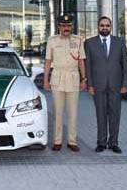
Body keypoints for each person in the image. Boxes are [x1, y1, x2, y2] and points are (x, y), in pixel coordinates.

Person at [85, 16, 127, 154]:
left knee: (115, 115)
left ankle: (114, 143)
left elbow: (125, 65)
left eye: (107, 25)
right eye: (102, 25)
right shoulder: (90, 43)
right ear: (98, 27)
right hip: (98, 86)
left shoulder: (119, 42)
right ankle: (101, 143)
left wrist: (125, 84)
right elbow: (88, 66)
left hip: (116, 86)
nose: (105, 28)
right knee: (100, 115)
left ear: (111, 27)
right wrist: (90, 85)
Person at [43, 14, 87, 152]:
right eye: (63, 26)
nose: (66, 28)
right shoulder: (52, 40)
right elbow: (48, 62)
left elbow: (81, 61)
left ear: (72, 26)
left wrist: (84, 79)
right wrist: (45, 80)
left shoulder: (79, 40)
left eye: (68, 26)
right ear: (59, 27)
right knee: (57, 112)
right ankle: (57, 141)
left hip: (73, 77)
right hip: (57, 77)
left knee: (73, 112)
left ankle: (72, 141)